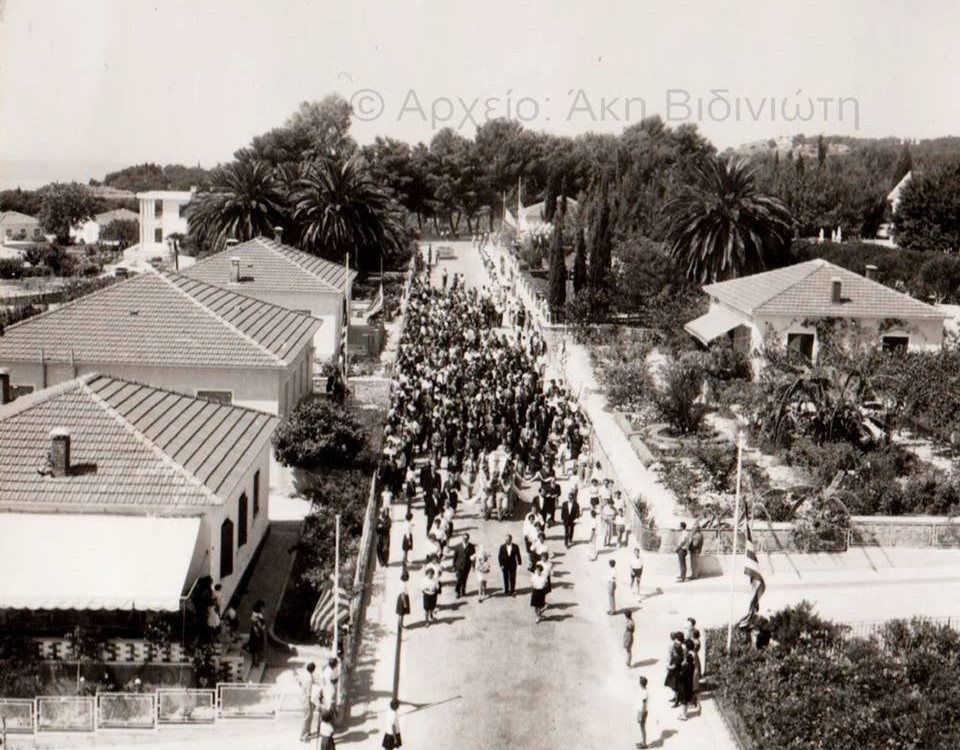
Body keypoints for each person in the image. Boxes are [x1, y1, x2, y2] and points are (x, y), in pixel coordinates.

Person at [299, 662, 318, 742]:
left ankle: (308, 732)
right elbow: (309, 693)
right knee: (307, 718)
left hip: (303, 697)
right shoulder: (309, 679)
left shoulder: (304, 674)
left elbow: (299, 682)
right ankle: (302, 735)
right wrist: (312, 702)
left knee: (310, 717)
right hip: (307, 699)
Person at [453, 533, 476, 598]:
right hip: (459, 565)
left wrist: (473, 566)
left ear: (468, 539)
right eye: (464, 538)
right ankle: (457, 591)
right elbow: (455, 557)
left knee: (465, 578)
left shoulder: (471, 546)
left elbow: (473, 557)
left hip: (467, 565)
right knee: (459, 578)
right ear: (462, 538)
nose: (465, 539)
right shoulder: (458, 546)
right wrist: (454, 566)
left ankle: (463, 590)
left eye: (466, 538)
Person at [246, 600, 267, 667]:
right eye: (263, 608)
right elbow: (260, 626)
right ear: (261, 608)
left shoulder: (254, 614)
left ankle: (255, 661)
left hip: (254, 631)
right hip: (257, 632)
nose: (264, 610)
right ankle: (256, 662)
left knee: (255, 647)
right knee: (256, 647)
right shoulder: (258, 616)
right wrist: (261, 628)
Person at [637, 676, 649, 749]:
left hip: (643, 712)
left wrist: (640, 714)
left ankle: (644, 744)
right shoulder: (644, 691)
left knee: (642, 728)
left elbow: (644, 705)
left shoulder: (644, 693)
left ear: (641, 684)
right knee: (642, 727)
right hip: (642, 711)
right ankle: (643, 742)